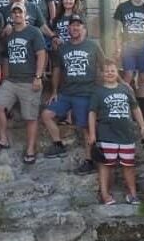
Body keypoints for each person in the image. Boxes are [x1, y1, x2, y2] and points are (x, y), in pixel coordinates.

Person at [41, 15, 105, 175]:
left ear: (84, 28)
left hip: (85, 93)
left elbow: (105, 65)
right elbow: (57, 70)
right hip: (66, 93)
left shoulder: (92, 46)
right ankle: (58, 144)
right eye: (72, 25)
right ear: (68, 29)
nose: (75, 28)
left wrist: (115, 85)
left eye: (78, 25)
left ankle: (90, 161)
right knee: (46, 115)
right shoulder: (63, 48)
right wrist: (55, 91)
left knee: (85, 128)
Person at [0, 2, 47, 164]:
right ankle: (3, 139)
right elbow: (6, 57)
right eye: (14, 13)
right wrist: (5, 78)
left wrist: (38, 77)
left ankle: (30, 149)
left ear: (25, 14)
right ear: (11, 16)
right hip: (12, 81)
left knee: (30, 117)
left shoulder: (33, 32)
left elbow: (42, 54)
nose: (17, 15)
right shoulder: (9, 34)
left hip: (30, 81)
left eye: (19, 12)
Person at [88, 58, 144, 205]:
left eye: (112, 71)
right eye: (106, 71)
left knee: (128, 165)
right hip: (107, 135)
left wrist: (142, 126)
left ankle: (132, 194)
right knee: (106, 166)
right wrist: (92, 134)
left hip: (126, 135)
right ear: (102, 74)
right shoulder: (98, 91)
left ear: (117, 72)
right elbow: (92, 113)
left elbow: (135, 108)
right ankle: (105, 194)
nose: (109, 73)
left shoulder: (126, 88)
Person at [113, 0, 144, 97]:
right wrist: (118, 48)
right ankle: (124, 102)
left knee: (142, 77)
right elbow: (117, 30)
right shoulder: (123, 7)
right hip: (128, 45)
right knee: (128, 75)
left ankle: (141, 103)